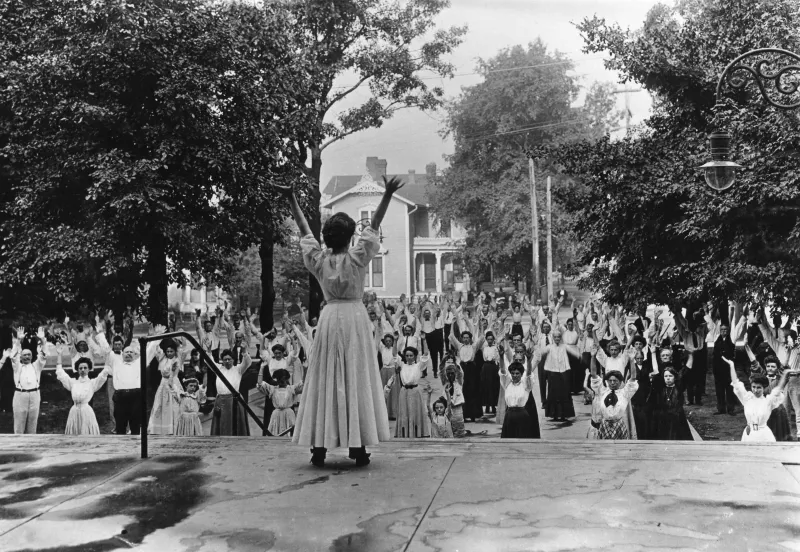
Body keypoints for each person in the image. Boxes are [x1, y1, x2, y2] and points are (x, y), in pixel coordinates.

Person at [275, 177, 400, 468]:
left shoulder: (318, 260)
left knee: (325, 378)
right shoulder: (357, 258)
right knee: (355, 378)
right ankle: (357, 446)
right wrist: (388, 194)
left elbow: (305, 232)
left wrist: (292, 199)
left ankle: (319, 446)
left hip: (330, 318)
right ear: (350, 237)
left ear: (327, 237)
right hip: (354, 318)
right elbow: (375, 226)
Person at [722, 355, 793, 442]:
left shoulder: (768, 401)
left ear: (764, 388)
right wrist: (732, 366)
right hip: (749, 435)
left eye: (759, 387)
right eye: (754, 387)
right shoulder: (747, 399)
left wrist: (785, 374)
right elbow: (736, 384)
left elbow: (778, 390)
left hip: (764, 436)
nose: (755, 390)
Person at [54, 347, 111, 435]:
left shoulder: (92, 383)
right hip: (74, 412)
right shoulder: (73, 383)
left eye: (85, 368)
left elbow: (104, 373)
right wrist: (59, 355)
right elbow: (60, 373)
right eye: (80, 368)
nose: (83, 370)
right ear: (77, 370)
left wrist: (107, 356)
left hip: (86, 412)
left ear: (89, 369)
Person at [7, 327, 47, 434]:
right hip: (20, 395)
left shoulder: (36, 366)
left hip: (35, 395)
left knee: (32, 423)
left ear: (32, 356)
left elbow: (43, 356)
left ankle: (31, 446)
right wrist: (19, 341)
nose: (27, 357)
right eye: (24, 355)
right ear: (21, 357)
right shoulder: (17, 367)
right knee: (19, 424)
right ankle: (18, 445)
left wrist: (43, 340)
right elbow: (13, 356)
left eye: (29, 355)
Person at [145, 329, 185, 435]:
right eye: (168, 351)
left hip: (173, 382)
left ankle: (174, 427)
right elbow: (156, 349)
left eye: (171, 351)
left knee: (173, 405)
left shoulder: (176, 359)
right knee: (160, 404)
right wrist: (158, 335)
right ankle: (160, 427)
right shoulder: (163, 359)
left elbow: (181, 350)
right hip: (163, 383)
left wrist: (177, 340)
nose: (169, 353)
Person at [534, 328, 575, 422]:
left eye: (558, 337)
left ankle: (564, 414)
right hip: (552, 373)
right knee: (553, 393)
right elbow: (539, 352)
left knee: (564, 393)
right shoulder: (549, 347)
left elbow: (574, 354)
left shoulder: (564, 346)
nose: (557, 338)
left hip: (563, 372)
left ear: (561, 338)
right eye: (555, 337)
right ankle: (554, 415)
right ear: (553, 338)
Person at [589, 365, 639, 440]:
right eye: (610, 380)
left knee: (620, 448)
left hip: (619, 426)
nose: (612, 383)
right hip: (605, 425)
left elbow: (633, 378)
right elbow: (593, 375)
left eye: (615, 381)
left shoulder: (624, 393)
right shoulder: (603, 391)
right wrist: (593, 357)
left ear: (620, 382)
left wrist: (632, 359)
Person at [393, 347, 433, 438]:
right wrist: (395, 340)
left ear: (415, 356)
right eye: (407, 355)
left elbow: (426, 354)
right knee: (404, 412)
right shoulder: (402, 365)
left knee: (416, 412)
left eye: (411, 355)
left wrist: (423, 339)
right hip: (404, 392)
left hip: (415, 391)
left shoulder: (418, 366)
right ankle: (404, 433)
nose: (409, 357)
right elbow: (395, 355)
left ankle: (417, 433)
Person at [211, 348, 253, 436]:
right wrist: (208, 351)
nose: (227, 361)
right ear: (222, 360)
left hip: (234, 400)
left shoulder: (238, 369)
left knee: (235, 425)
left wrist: (244, 351)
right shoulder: (219, 368)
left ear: (233, 360)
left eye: (229, 359)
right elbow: (209, 362)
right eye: (225, 359)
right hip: (220, 400)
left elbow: (247, 363)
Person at [448, 325, 484, 423]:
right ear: (462, 338)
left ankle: (472, 414)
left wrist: (481, 326)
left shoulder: (474, 346)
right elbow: (451, 336)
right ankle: (463, 414)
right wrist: (452, 323)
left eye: (467, 338)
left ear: (470, 338)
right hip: (462, 369)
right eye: (464, 338)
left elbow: (482, 338)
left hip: (472, 369)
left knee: (472, 391)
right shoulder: (459, 346)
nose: (466, 339)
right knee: (462, 390)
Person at [649, 361, 693, 441]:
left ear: (675, 377)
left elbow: (687, 370)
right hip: (664, 420)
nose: (668, 378)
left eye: (670, 376)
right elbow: (656, 372)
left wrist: (691, 355)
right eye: (666, 376)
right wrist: (653, 354)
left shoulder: (679, 387)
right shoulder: (661, 389)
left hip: (677, 419)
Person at [499, 361, 540, 438]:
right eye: (513, 373)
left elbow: (529, 374)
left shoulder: (526, 386)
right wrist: (501, 357)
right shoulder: (507, 384)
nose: (515, 375)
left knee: (522, 438)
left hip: (522, 416)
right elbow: (503, 371)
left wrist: (529, 359)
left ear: (521, 374)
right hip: (509, 416)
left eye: (517, 373)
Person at [258, 368, 304, 437]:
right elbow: (260, 385)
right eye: (279, 379)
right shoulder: (272, 389)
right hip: (276, 416)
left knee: (290, 435)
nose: (282, 381)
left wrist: (305, 370)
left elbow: (304, 385)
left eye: (284, 379)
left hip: (289, 416)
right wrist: (261, 369)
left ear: (287, 379)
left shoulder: (291, 389)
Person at [441, 356, 466, 438]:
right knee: (447, 429)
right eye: (448, 374)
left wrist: (455, 362)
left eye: (452, 373)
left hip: (457, 409)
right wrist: (444, 360)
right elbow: (441, 371)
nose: (450, 375)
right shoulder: (445, 382)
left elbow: (460, 373)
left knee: (459, 430)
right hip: (447, 408)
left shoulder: (459, 382)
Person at [378, 334, 401, 421]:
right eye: (386, 341)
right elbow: (377, 338)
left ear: (392, 342)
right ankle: (385, 413)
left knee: (393, 392)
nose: (388, 342)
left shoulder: (394, 350)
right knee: (384, 391)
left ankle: (393, 413)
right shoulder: (382, 349)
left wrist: (395, 340)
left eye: (389, 341)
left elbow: (396, 350)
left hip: (392, 371)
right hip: (384, 371)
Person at [480, 331, 501, 417]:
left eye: (491, 339)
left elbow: (497, 358)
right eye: (488, 339)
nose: (489, 341)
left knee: (493, 386)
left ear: (493, 340)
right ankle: (487, 405)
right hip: (486, 367)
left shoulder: (496, 348)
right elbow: (484, 357)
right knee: (486, 386)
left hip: (493, 367)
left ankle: (493, 406)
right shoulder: (484, 348)